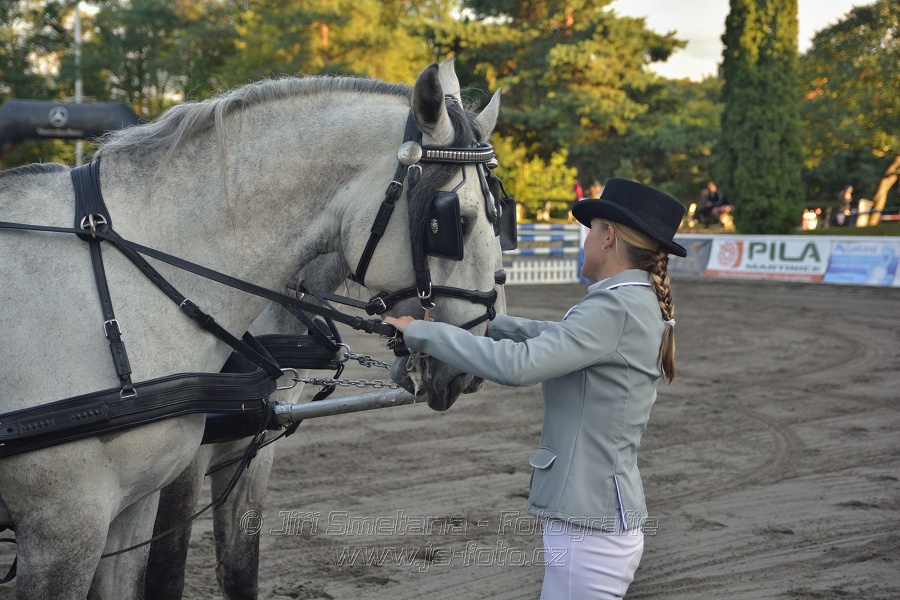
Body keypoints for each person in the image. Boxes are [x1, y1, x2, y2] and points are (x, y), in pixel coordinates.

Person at [386, 178, 687, 599]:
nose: (587, 240)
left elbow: (521, 366)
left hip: (589, 529)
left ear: (609, 238)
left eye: (592, 230)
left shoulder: (614, 307)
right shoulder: (632, 302)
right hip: (597, 520)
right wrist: (481, 325)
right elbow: (556, 335)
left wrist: (423, 334)